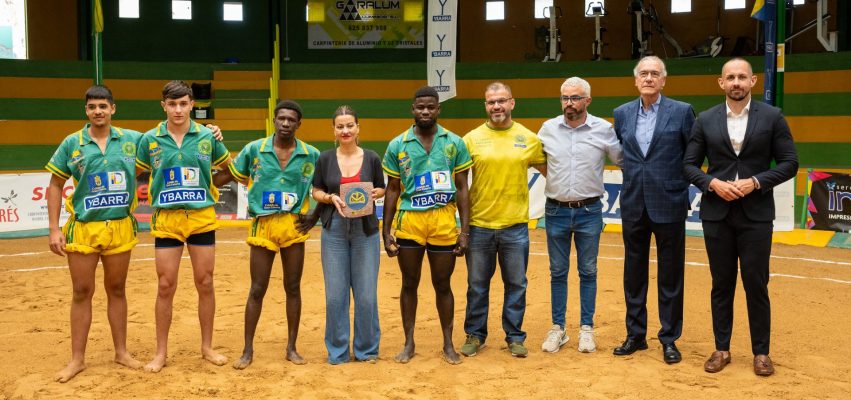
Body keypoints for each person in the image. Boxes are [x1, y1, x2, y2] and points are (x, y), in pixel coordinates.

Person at [683, 58, 798, 377]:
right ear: (721, 83)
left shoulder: (773, 117)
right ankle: (721, 348)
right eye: (730, 77)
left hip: (757, 214)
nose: (736, 82)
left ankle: (761, 352)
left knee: (756, 283)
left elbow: (790, 162)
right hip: (717, 214)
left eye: (742, 77)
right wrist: (712, 183)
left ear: (753, 81)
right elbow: (689, 165)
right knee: (721, 284)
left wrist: (756, 181)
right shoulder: (705, 120)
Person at [46, 85, 145, 382]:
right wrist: (53, 229)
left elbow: (168, 136)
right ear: (86, 111)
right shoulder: (71, 144)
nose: (98, 111)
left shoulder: (133, 140)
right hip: (84, 228)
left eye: (103, 106)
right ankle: (77, 359)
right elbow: (55, 184)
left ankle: (122, 352)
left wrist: (212, 130)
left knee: (117, 289)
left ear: (113, 108)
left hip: (119, 226)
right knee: (81, 292)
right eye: (92, 107)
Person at [213, 100, 320, 368]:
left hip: (293, 225)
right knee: (257, 288)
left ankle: (292, 348)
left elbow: (324, 186)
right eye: (281, 118)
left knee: (292, 287)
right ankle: (247, 350)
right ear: (274, 120)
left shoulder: (312, 154)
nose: (285, 124)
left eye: (291, 120)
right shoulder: (254, 150)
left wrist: (314, 216)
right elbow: (229, 175)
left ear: (299, 124)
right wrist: (205, 184)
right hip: (263, 224)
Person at [135, 80, 231, 372]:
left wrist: (207, 189)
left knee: (206, 282)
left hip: (201, 217)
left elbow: (228, 170)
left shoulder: (208, 136)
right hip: (166, 219)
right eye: (172, 104)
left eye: (183, 103)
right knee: (165, 285)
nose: (178, 109)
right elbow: (136, 173)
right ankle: (160, 353)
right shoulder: (149, 139)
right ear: (163, 106)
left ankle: (207, 348)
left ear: (192, 105)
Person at [612, 56, 695, 364]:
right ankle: (635, 335)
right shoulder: (621, 114)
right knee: (633, 273)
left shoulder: (683, 111)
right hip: (633, 201)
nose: (648, 78)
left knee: (670, 274)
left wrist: (676, 182)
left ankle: (669, 338)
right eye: (643, 73)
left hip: (669, 201)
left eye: (654, 74)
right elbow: (625, 153)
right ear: (636, 81)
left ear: (663, 80)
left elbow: (693, 155)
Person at [382, 86, 473, 365]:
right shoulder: (398, 144)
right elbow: (393, 189)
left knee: (442, 284)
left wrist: (464, 230)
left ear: (438, 109)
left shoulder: (454, 143)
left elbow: (462, 188)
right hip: (410, 221)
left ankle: (448, 344)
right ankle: (408, 343)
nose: (425, 111)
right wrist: (385, 231)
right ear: (413, 109)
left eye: (430, 107)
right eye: (420, 107)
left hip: (443, 221)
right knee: (409, 283)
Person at [459, 82, 546, 359]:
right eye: (490, 102)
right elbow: (458, 183)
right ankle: (475, 334)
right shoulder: (471, 139)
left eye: (501, 101)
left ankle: (515, 336)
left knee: (516, 284)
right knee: (476, 285)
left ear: (512, 103)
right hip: (479, 226)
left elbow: (550, 175)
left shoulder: (528, 138)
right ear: (485, 105)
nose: (496, 106)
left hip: (515, 226)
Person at [538, 77, 622, 354]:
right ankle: (557, 328)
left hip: (589, 210)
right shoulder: (547, 129)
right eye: (565, 98)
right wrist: (559, 180)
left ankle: (586, 329)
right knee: (557, 272)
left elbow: (622, 159)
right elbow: (537, 160)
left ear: (587, 100)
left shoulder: (603, 129)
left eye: (575, 98)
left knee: (588, 271)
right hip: (555, 210)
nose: (569, 103)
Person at [310, 105, 386, 364]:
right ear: (334, 130)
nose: (345, 130)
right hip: (334, 233)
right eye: (340, 126)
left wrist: (378, 193)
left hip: (366, 233)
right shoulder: (325, 159)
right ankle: (338, 351)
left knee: (366, 295)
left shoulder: (373, 158)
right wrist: (330, 198)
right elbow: (316, 191)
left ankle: (367, 350)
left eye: (349, 125)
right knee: (335, 295)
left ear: (357, 128)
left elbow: (381, 188)